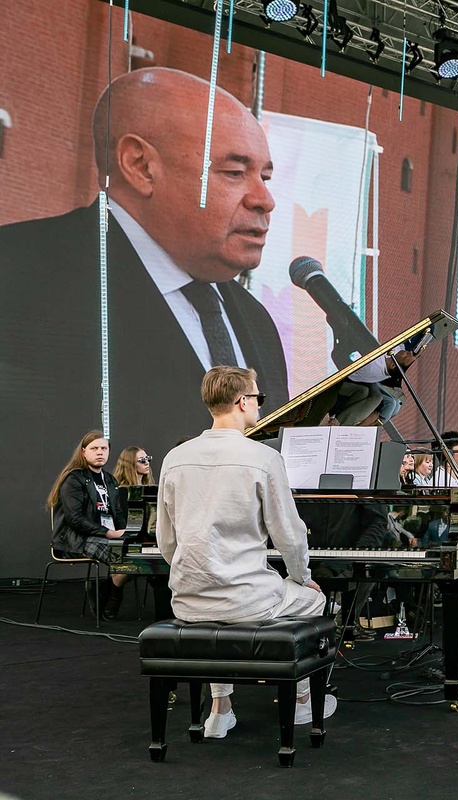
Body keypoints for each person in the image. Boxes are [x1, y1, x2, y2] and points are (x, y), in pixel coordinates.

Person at [0, 68, 289, 496]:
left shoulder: (255, 321)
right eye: (233, 171)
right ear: (140, 166)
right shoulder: (19, 271)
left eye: (263, 176)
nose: (264, 199)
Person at [156, 366, 334, 739]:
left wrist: (198, 572)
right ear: (241, 402)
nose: (258, 406)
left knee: (219, 616)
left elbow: (166, 540)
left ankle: (220, 710)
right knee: (314, 602)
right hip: (247, 599)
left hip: (188, 601)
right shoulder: (263, 458)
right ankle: (303, 704)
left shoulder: (175, 458)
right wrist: (302, 578)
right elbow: (289, 535)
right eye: (257, 398)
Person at [46, 431, 132, 620]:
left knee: (135, 555)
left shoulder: (110, 480)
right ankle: (112, 602)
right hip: (78, 539)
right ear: (83, 452)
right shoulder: (74, 479)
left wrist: (127, 533)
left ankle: (100, 590)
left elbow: (116, 514)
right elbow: (75, 519)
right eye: (94, 448)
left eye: (104, 448)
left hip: (103, 535)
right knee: (124, 558)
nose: (100, 452)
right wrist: (109, 533)